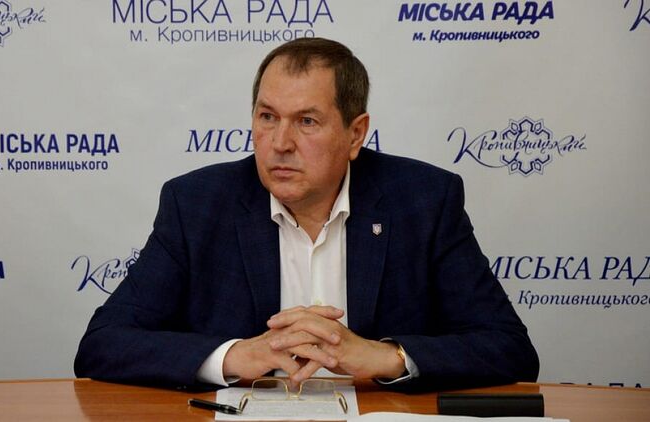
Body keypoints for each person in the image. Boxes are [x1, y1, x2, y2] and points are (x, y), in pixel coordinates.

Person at [74, 37, 539, 392]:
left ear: (355, 134)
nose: (280, 143)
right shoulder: (196, 203)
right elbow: (103, 344)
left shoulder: (424, 201)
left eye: (307, 121)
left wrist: (385, 357)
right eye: (267, 117)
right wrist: (234, 356)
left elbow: (510, 348)